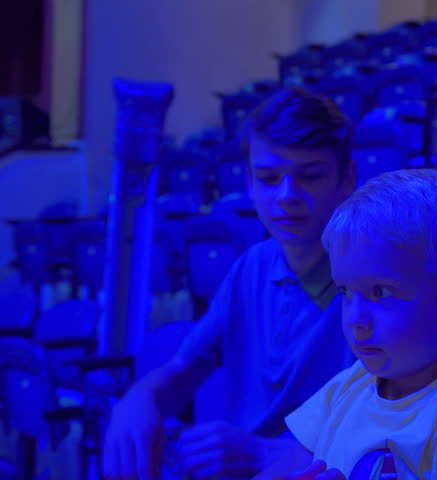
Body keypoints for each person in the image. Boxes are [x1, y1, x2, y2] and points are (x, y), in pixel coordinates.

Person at [102, 87, 358, 480]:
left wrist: (262, 453)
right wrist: (139, 400)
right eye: (269, 178)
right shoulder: (250, 268)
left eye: (310, 176)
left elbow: (396, 430)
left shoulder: (375, 279)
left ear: (346, 179)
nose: (287, 196)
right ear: (249, 184)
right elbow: (181, 371)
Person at [253, 169, 437, 480]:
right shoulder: (350, 385)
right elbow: (283, 468)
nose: (355, 319)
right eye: (344, 291)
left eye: (380, 292)